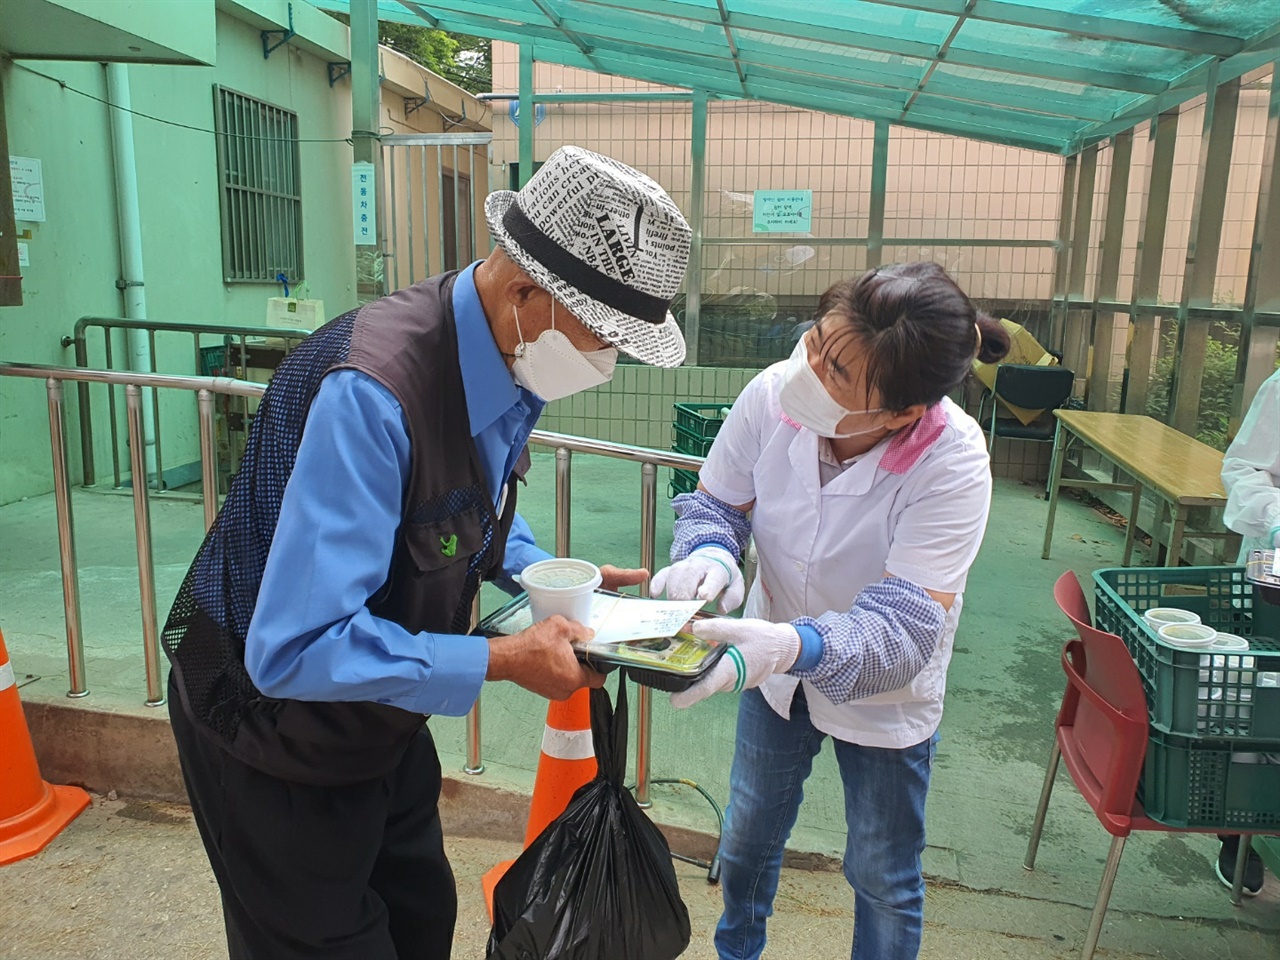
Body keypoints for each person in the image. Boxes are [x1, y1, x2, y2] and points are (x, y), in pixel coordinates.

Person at [161, 146, 692, 960]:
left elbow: (463, 503)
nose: (605, 364)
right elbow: (295, 647)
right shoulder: (373, 393)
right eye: (602, 339)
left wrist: (541, 575)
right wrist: (507, 659)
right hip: (266, 730)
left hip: (380, 715)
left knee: (418, 923)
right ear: (523, 292)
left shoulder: (510, 354)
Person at [651, 261, 1010, 960]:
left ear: (905, 412)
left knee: (881, 870)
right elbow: (720, 500)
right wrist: (712, 552)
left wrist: (791, 646)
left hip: (883, 692)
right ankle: (737, 949)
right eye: (816, 341)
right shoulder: (774, 393)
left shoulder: (954, 462)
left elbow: (903, 626)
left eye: (837, 372)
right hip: (772, 667)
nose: (807, 371)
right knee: (751, 832)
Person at [1216, 364, 1280, 896]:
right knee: (1258, 683)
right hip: (1273, 557)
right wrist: (1276, 514)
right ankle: (1238, 830)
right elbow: (1242, 467)